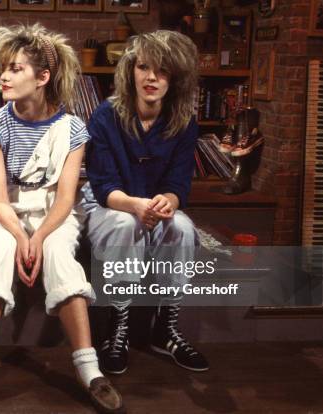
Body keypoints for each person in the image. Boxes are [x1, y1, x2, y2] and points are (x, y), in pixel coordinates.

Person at [0, 23, 124, 414]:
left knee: (58, 256)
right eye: (4, 68)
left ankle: (90, 371)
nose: (3, 76)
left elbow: (67, 198)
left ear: (43, 77)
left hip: (55, 210)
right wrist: (21, 237)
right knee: (0, 252)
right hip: (9, 210)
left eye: (15, 68)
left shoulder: (71, 129)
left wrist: (40, 238)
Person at [81, 30, 209, 374]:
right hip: (111, 205)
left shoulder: (184, 121)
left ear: (176, 78)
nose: (151, 77)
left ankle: (165, 329)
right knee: (126, 223)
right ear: (130, 71)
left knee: (181, 226)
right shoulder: (105, 116)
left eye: (162, 70)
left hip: (154, 205)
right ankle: (117, 327)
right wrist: (137, 207)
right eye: (143, 67)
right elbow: (104, 185)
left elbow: (178, 185)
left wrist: (166, 203)